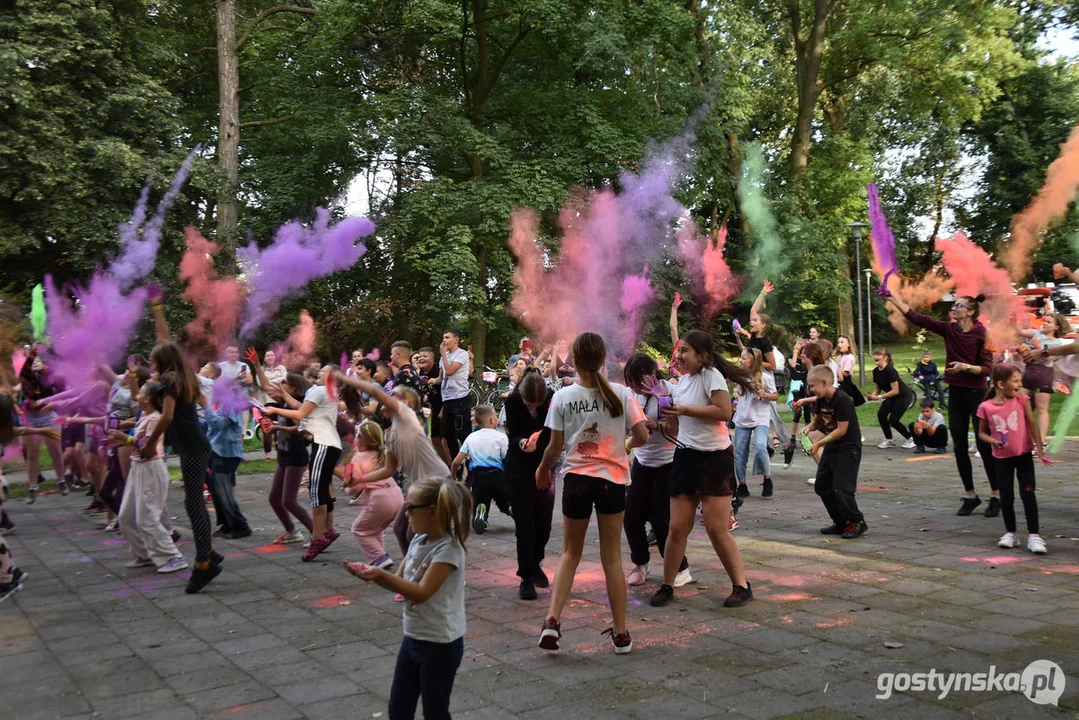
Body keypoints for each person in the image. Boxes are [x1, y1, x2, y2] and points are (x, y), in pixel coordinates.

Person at [536, 333, 647, 654]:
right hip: (612, 481)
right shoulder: (622, 394)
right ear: (602, 359)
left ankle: (552, 622)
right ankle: (622, 634)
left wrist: (542, 470)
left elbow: (554, 447)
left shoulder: (563, 397)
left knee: (570, 554)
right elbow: (641, 434)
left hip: (576, 481)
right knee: (611, 557)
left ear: (574, 359)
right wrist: (624, 447)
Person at [343, 479, 471, 720]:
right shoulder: (417, 540)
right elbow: (400, 582)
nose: (405, 513)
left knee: (435, 712)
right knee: (399, 709)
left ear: (432, 512)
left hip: (440, 645)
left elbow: (421, 592)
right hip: (413, 637)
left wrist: (380, 574)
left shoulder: (449, 549)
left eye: (410, 507)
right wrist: (370, 575)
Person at [651, 330, 755, 610]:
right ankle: (668, 584)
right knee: (676, 528)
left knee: (717, 529)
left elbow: (724, 412)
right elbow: (676, 428)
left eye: (685, 350)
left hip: (715, 460)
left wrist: (684, 410)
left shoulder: (711, 376)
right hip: (685, 458)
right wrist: (664, 419)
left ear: (702, 355)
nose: (679, 355)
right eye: (679, 350)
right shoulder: (682, 383)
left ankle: (741, 586)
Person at [883, 287, 997, 516]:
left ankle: (997, 495)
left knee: (984, 446)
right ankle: (971, 495)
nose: (954, 308)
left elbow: (988, 368)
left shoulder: (982, 333)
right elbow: (918, 318)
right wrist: (892, 298)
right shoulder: (949, 329)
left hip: (977, 394)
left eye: (958, 305)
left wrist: (967, 367)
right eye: (954, 305)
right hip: (956, 393)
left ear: (971, 311)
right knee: (960, 447)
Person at [146, 300, 223, 593]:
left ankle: (203, 563)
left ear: (162, 362)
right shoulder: (184, 372)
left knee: (195, 505)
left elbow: (166, 416)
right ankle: (209, 553)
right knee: (194, 504)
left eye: (155, 360)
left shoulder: (169, 379)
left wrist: (149, 444)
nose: (152, 364)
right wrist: (157, 309)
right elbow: (165, 342)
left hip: (192, 447)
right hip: (195, 445)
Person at [333, 372, 452, 562]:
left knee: (416, 533)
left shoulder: (407, 418)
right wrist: (360, 479)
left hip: (437, 482)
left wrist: (345, 379)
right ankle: (414, 573)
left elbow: (373, 390)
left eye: (392, 396)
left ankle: (433, 573)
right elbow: (389, 470)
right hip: (421, 486)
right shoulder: (390, 432)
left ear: (406, 403)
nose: (387, 399)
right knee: (399, 529)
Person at [622, 354, 690, 588]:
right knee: (631, 517)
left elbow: (675, 428)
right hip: (642, 461)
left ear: (651, 376)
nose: (632, 386)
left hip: (667, 462)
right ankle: (641, 564)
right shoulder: (632, 395)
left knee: (661, 520)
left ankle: (680, 566)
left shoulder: (669, 391)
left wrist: (654, 425)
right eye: (629, 382)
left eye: (636, 381)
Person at [263, 365, 342, 561]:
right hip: (328, 444)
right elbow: (300, 408)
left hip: (323, 445)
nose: (319, 373)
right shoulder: (327, 392)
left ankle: (317, 538)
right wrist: (283, 393)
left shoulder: (320, 390)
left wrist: (274, 409)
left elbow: (298, 415)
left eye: (323, 371)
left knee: (316, 492)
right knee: (322, 490)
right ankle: (328, 531)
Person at [976, 365, 1051, 554]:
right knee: (1006, 496)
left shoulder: (1022, 399)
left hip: (1024, 455)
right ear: (1001, 384)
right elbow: (981, 434)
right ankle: (1011, 533)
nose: (1020, 384)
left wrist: (1039, 449)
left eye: (1020, 380)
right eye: (1015, 381)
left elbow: (1032, 424)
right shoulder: (986, 407)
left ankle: (1034, 535)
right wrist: (993, 441)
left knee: (1028, 494)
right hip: (1002, 459)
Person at [115, 381, 188, 573]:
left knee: (148, 517)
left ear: (147, 399)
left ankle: (173, 557)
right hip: (138, 468)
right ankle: (145, 554)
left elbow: (147, 449)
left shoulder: (155, 418)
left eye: (140, 394)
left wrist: (124, 439)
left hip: (151, 468)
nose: (136, 396)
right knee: (126, 517)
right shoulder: (145, 416)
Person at [502, 370, 555, 600]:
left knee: (544, 525)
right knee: (525, 525)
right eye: (529, 404)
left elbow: (555, 433)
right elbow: (512, 434)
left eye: (537, 404)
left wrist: (545, 455)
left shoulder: (551, 399)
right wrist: (522, 441)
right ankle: (526, 577)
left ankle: (535, 562)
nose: (533, 407)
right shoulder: (513, 401)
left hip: (544, 464)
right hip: (518, 469)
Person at [0, 391, 58, 600]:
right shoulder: (5, 430)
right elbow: (21, 429)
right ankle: (13, 572)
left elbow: (20, 429)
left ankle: (9, 581)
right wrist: (42, 429)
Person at [804, 365, 867, 539]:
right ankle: (841, 522)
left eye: (812, 386)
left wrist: (818, 444)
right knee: (822, 486)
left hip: (848, 448)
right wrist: (807, 429)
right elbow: (817, 422)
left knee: (841, 487)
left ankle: (857, 521)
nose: (810, 389)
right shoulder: (821, 399)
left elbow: (841, 430)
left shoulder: (842, 399)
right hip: (833, 447)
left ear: (824, 383)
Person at [339, 420, 402, 569]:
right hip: (397, 495)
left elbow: (356, 486)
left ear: (362, 440)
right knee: (374, 529)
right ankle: (380, 556)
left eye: (357, 436)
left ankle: (379, 558)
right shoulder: (382, 454)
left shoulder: (358, 458)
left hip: (379, 499)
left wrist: (346, 490)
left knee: (359, 529)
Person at [451, 405, 510, 535]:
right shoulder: (501, 437)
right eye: (495, 416)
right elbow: (507, 458)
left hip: (477, 478)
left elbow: (456, 461)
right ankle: (512, 509)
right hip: (497, 477)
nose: (496, 419)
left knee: (480, 499)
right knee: (504, 500)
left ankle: (480, 513)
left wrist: (453, 475)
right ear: (490, 420)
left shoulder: (471, 437)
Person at [18, 347, 66, 502]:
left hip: (49, 417)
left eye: (38, 360)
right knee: (32, 454)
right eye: (32, 361)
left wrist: (52, 403)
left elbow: (60, 389)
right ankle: (32, 488)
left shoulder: (49, 376)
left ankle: (61, 481)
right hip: (31, 418)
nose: (35, 363)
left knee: (56, 451)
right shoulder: (25, 378)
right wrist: (32, 353)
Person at [200, 397, 252, 540]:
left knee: (223, 491)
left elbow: (220, 423)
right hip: (219, 451)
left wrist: (205, 406)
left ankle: (239, 525)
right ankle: (228, 523)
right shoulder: (224, 402)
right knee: (218, 491)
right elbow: (212, 424)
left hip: (227, 453)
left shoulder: (231, 403)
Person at [1018, 313, 1071, 450]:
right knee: (1019, 404)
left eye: (1049, 322)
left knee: (1042, 408)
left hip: (1044, 375)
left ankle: (1041, 441)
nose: (1045, 323)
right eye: (1045, 321)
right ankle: (1022, 437)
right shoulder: (1036, 333)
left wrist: (1037, 345)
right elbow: (1020, 331)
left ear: (1056, 326)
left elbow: (1049, 358)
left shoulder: (1058, 343)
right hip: (1029, 373)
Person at [733, 348, 778, 499]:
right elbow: (724, 377)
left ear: (753, 361)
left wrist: (764, 394)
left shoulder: (765, 377)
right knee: (739, 454)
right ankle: (742, 485)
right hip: (742, 418)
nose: (741, 360)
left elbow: (776, 396)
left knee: (760, 446)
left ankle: (767, 479)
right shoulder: (740, 376)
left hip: (760, 417)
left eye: (744, 358)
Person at [866, 347, 916, 449]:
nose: (875, 356)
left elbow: (895, 390)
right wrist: (872, 396)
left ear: (885, 358)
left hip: (903, 396)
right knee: (881, 414)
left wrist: (879, 397)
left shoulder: (890, 370)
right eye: (874, 354)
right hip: (892, 396)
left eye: (878, 355)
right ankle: (889, 439)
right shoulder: (875, 371)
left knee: (893, 419)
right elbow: (878, 388)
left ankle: (911, 439)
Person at [437, 329, 471, 460]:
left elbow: (450, 371)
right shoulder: (443, 356)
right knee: (449, 435)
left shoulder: (461, 354)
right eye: (443, 337)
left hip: (460, 399)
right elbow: (441, 378)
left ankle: (470, 463)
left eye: (447, 337)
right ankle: (457, 467)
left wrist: (443, 355)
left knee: (462, 434)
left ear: (456, 340)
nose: (444, 340)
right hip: (448, 399)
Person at [255, 349, 287, 459]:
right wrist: (275, 382)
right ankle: (267, 454)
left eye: (271, 355)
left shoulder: (281, 368)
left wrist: (268, 382)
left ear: (275, 357)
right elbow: (261, 383)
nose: (270, 357)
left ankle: (280, 452)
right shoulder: (261, 370)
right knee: (267, 427)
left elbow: (285, 380)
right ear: (264, 358)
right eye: (267, 355)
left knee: (280, 426)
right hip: (266, 401)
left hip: (279, 400)